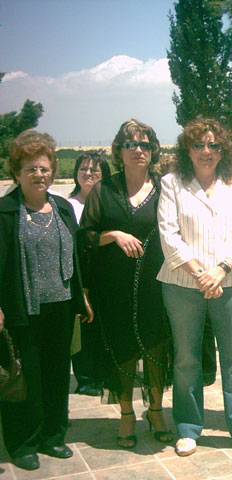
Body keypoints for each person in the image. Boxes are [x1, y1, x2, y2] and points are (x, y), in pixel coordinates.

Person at [157, 117, 232, 457]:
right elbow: (168, 234)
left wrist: (221, 270)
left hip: (230, 282)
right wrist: (201, 273)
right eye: (199, 144)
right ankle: (187, 428)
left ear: (222, 150)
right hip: (182, 284)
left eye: (213, 145)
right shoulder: (172, 183)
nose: (206, 151)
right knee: (186, 358)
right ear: (188, 148)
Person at [0, 130, 92, 471]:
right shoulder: (6, 212)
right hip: (21, 309)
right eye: (31, 169)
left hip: (61, 306)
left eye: (44, 168)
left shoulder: (63, 208)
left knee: (56, 375)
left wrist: (81, 297)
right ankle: (22, 441)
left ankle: (53, 436)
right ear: (18, 173)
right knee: (25, 379)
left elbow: (76, 258)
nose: (39, 175)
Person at [78, 119, 173, 449]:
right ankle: (126, 414)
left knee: (157, 347)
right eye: (131, 144)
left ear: (153, 150)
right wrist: (113, 235)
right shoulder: (104, 190)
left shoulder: (166, 188)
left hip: (157, 283)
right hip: (114, 285)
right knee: (122, 350)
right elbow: (85, 236)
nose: (138, 150)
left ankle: (157, 411)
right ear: (119, 151)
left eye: (144, 144)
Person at [68, 152, 111, 397]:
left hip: (105, 274)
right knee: (82, 327)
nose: (88, 174)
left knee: (105, 326)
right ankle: (86, 378)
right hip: (80, 275)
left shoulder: (110, 203)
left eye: (95, 170)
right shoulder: (67, 205)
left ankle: (106, 373)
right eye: (83, 168)